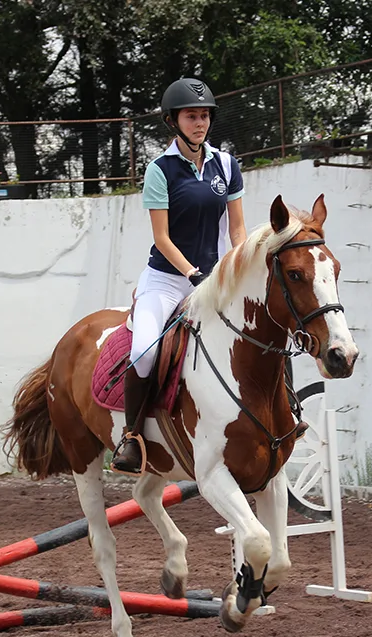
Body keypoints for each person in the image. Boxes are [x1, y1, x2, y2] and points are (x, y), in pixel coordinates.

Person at [110, 77, 247, 474]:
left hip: (216, 277)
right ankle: (132, 436)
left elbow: (236, 229)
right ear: (174, 121)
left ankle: (284, 411)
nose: (199, 123)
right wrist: (192, 274)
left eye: (204, 116)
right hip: (169, 280)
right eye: (191, 116)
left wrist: (236, 266)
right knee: (146, 351)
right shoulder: (160, 170)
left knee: (265, 322)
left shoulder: (226, 164)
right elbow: (162, 237)